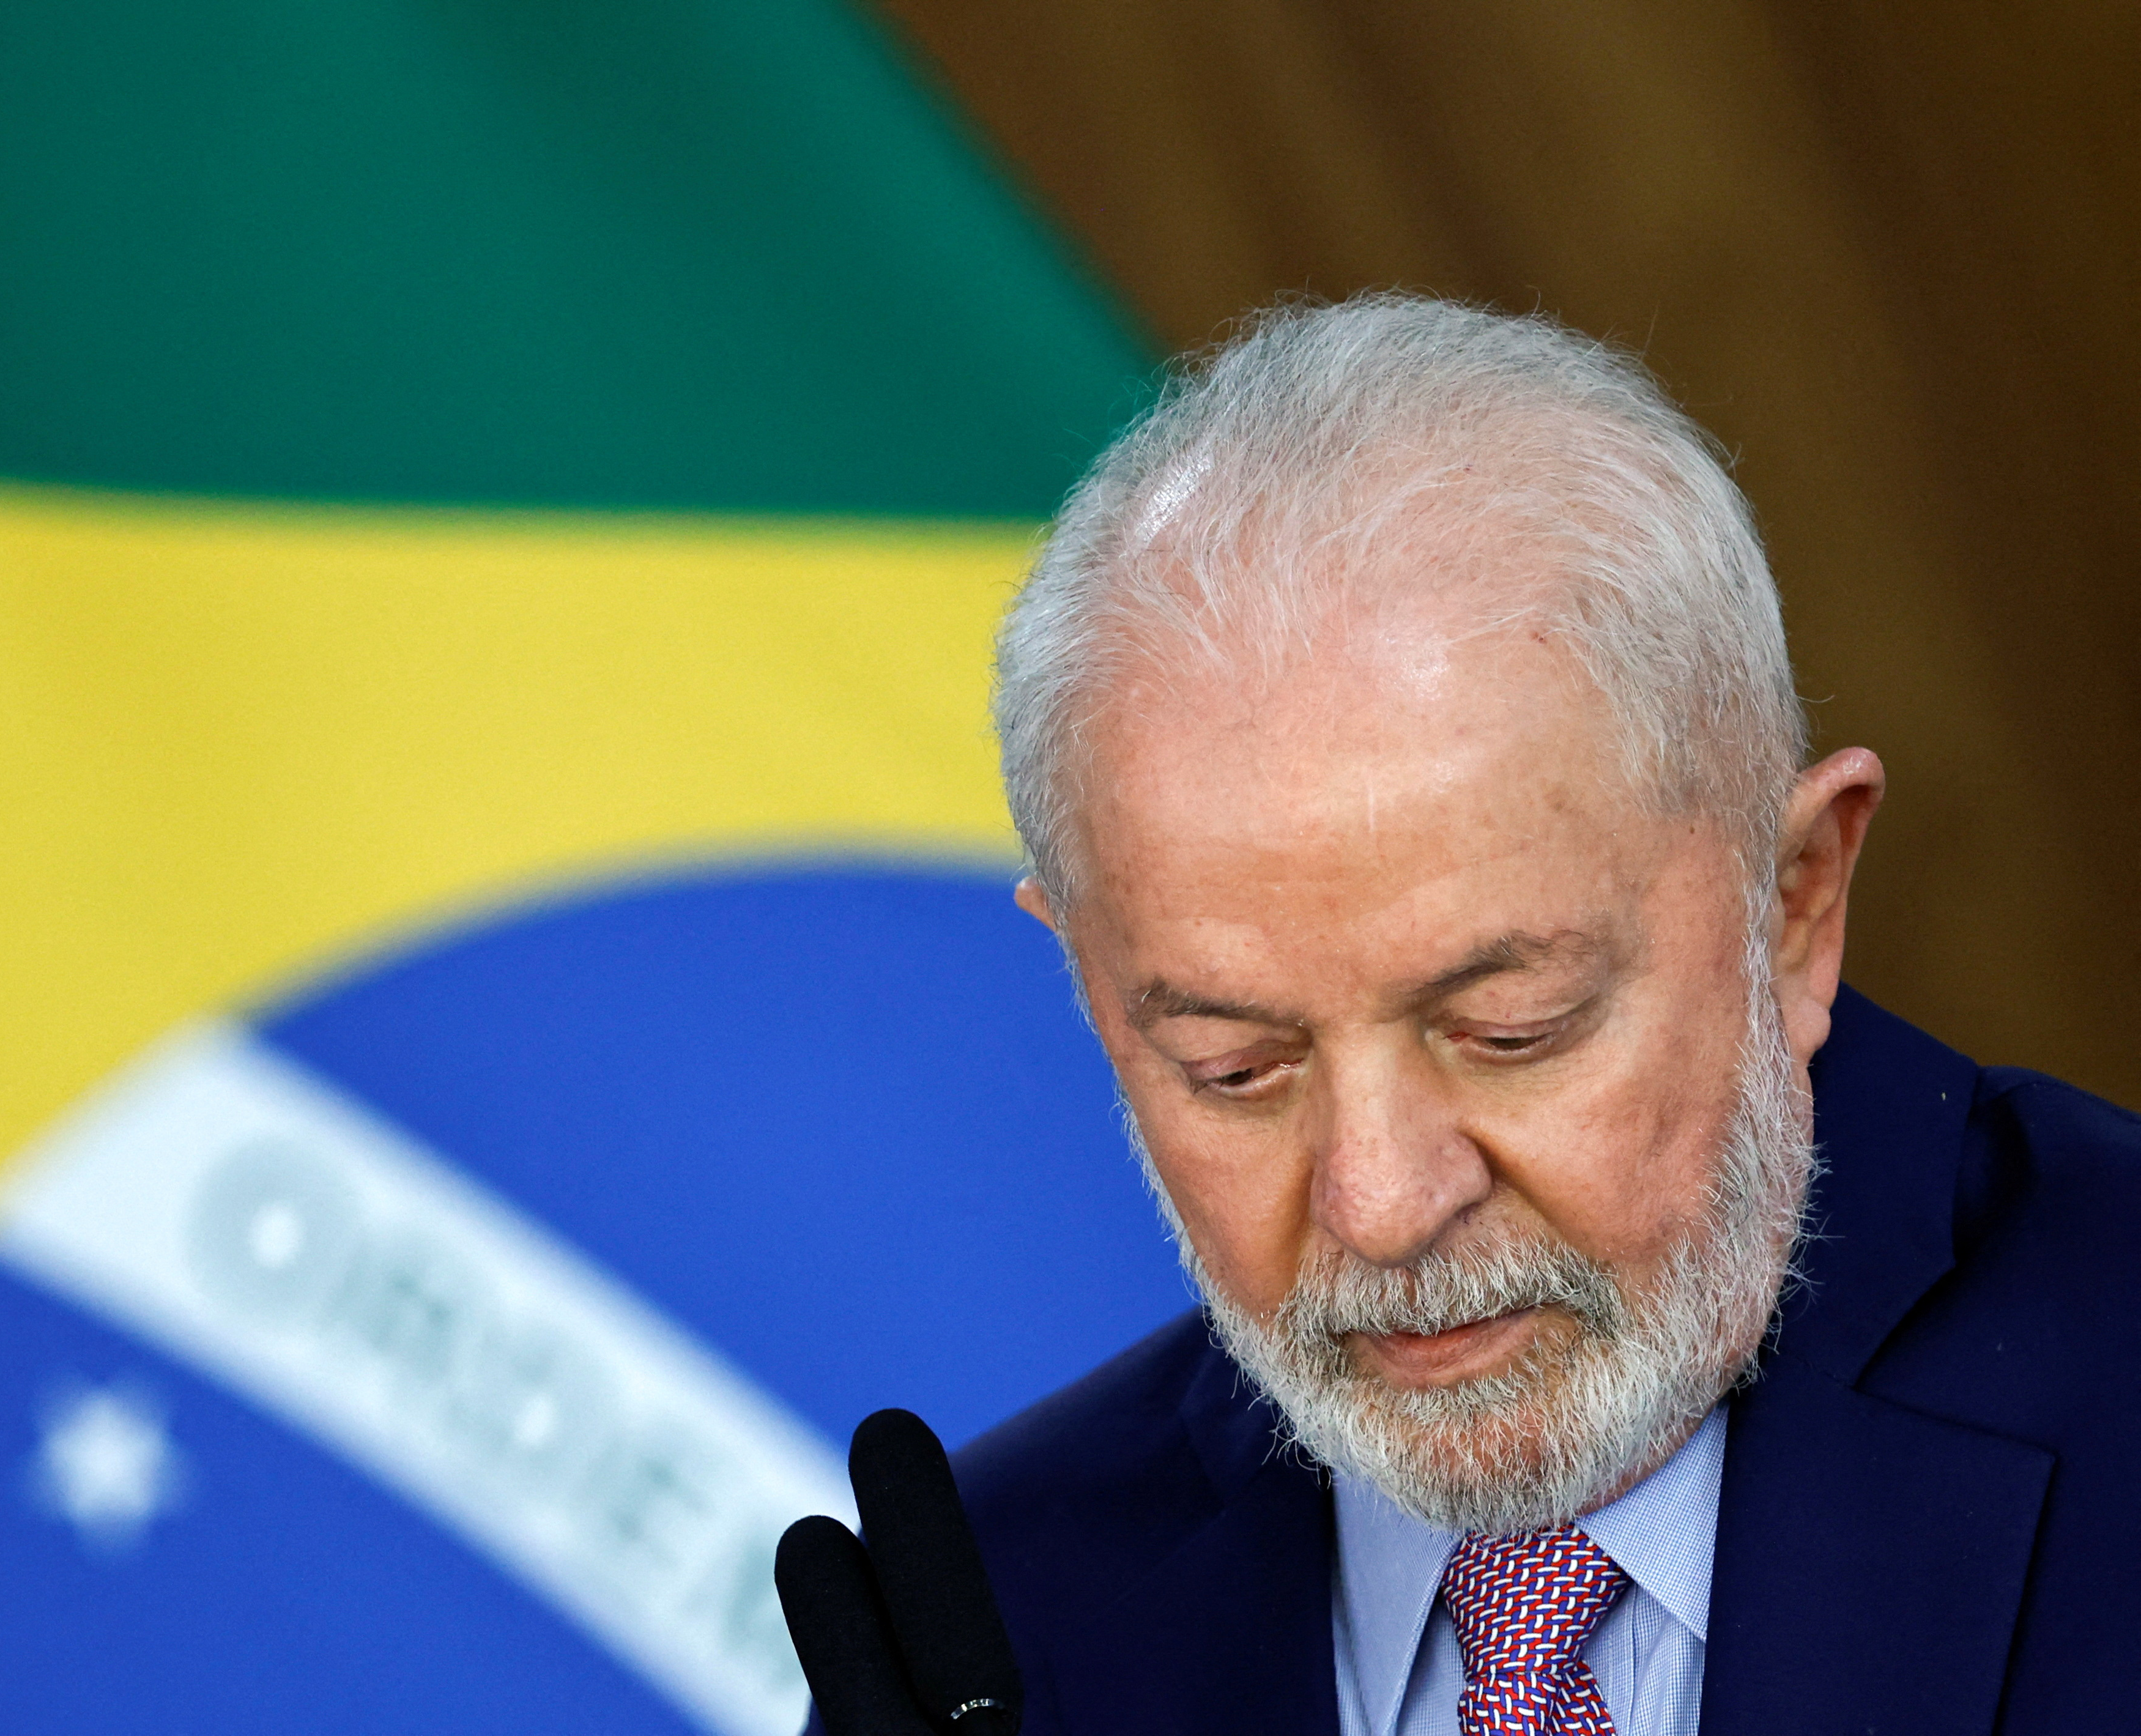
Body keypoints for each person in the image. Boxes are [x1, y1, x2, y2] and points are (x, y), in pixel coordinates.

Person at [796, 295, 2140, 1735]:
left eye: (1511, 1029)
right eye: (1233, 1068)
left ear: (1794, 902)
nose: (1380, 1206)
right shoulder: (999, 1623)